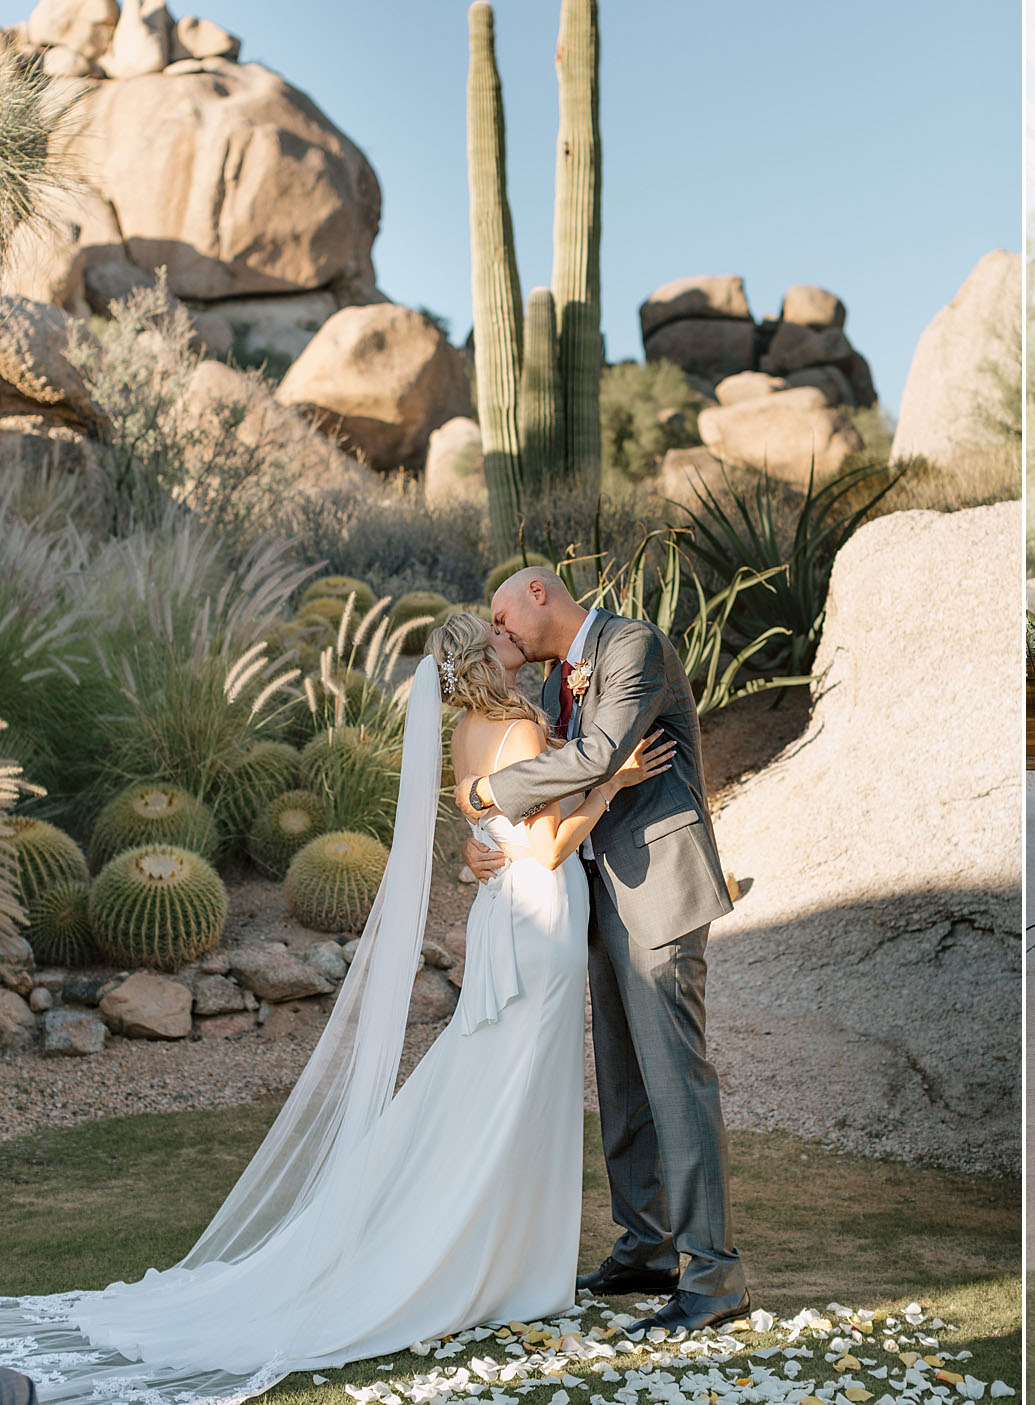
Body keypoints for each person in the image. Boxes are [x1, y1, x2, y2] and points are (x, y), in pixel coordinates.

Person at [0, 612, 669, 1402]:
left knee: (493, 1083)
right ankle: (505, 1266)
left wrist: (479, 844)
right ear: (486, 661)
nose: (508, 635)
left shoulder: (465, 735)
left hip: (506, 916)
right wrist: (612, 781)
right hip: (543, 916)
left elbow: (481, 824)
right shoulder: (520, 727)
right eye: (498, 636)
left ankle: (495, 1255)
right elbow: (552, 844)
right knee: (518, 1087)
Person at [457, 568, 748, 1335]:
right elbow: (557, 801)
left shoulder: (632, 647)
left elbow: (598, 757)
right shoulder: (555, 683)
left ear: (541, 593)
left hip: (658, 887)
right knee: (622, 1084)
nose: (500, 628)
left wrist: (489, 796)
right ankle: (646, 1246)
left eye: (502, 613)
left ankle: (712, 1275)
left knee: (675, 1080)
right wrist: (484, 843)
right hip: (592, 895)